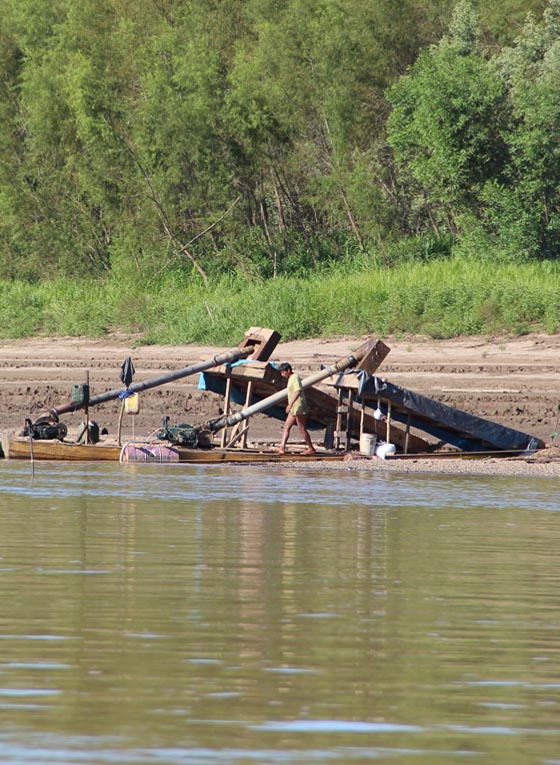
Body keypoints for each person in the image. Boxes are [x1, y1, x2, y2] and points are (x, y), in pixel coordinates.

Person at [276, 362, 316, 455]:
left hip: (299, 406)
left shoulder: (295, 377)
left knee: (301, 428)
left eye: (283, 372)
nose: (282, 374)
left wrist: (290, 404)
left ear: (288, 370)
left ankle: (311, 448)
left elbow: (298, 391)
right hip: (294, 408)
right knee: (286, 427)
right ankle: (282, 448)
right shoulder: (290, 379)